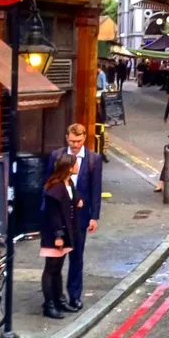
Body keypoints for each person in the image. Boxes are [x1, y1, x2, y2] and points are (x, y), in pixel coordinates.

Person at [46, 124, 101, 311]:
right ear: (66, 137)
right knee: (56, 260)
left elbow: (95, 189)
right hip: (59, 214)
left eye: (78, 141)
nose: (75, 145)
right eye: (71, 141)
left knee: (77, 258)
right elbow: (47, 184)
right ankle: (56, 298)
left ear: (85, 138)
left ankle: (74, 296)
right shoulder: (56, 156)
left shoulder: (93, 159)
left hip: (80, 216)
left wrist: (94, 216)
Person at [40, 154, 78, 319]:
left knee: (58, 268)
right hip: (54, 234)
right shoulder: (55, 188)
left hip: (65, 232)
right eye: (75, 164)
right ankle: (49, 305)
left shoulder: (69, 183)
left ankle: (59, 300)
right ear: (69, 168)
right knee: (51, 268)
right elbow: (53, 214)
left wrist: (78, 200)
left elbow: (71, 200)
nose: (78, 166)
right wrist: (58, 236)